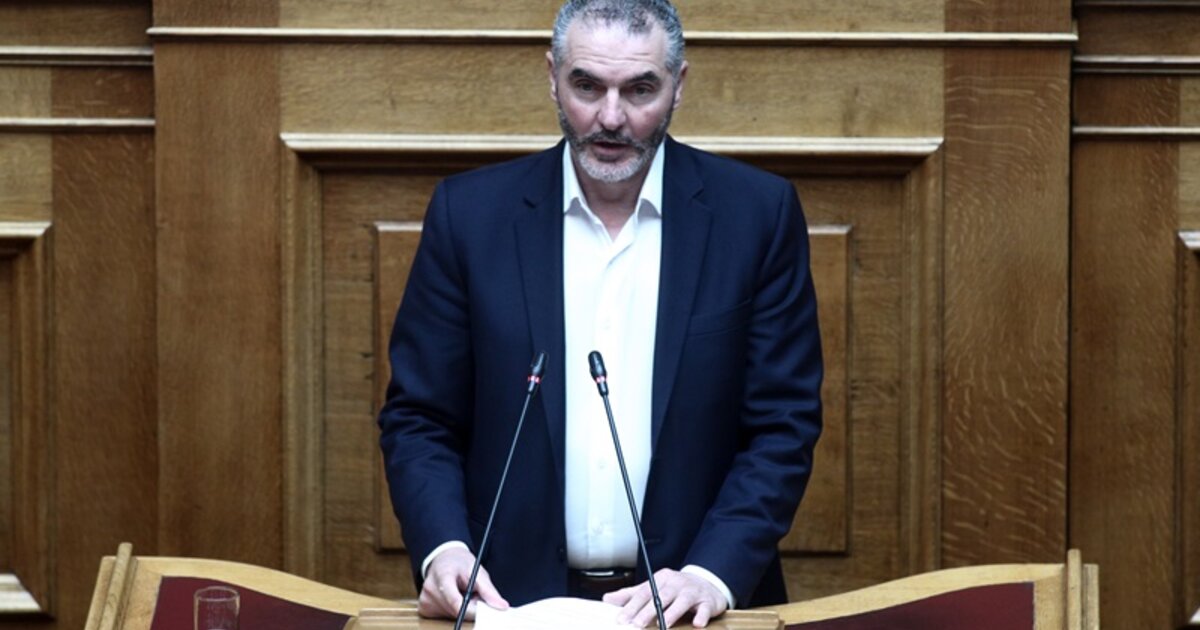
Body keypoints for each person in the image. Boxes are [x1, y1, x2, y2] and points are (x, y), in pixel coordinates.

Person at [377, 1, 823, 627]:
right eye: (587, 86)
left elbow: (783, 424)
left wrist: (710, 573)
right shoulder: (470, 217)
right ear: (552, 77)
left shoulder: (756, 215)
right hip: (509, 606)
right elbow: (420, 417)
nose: (611, 118)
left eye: (640, 89)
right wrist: (443, 548)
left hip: (695, 610)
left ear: (678, 85)